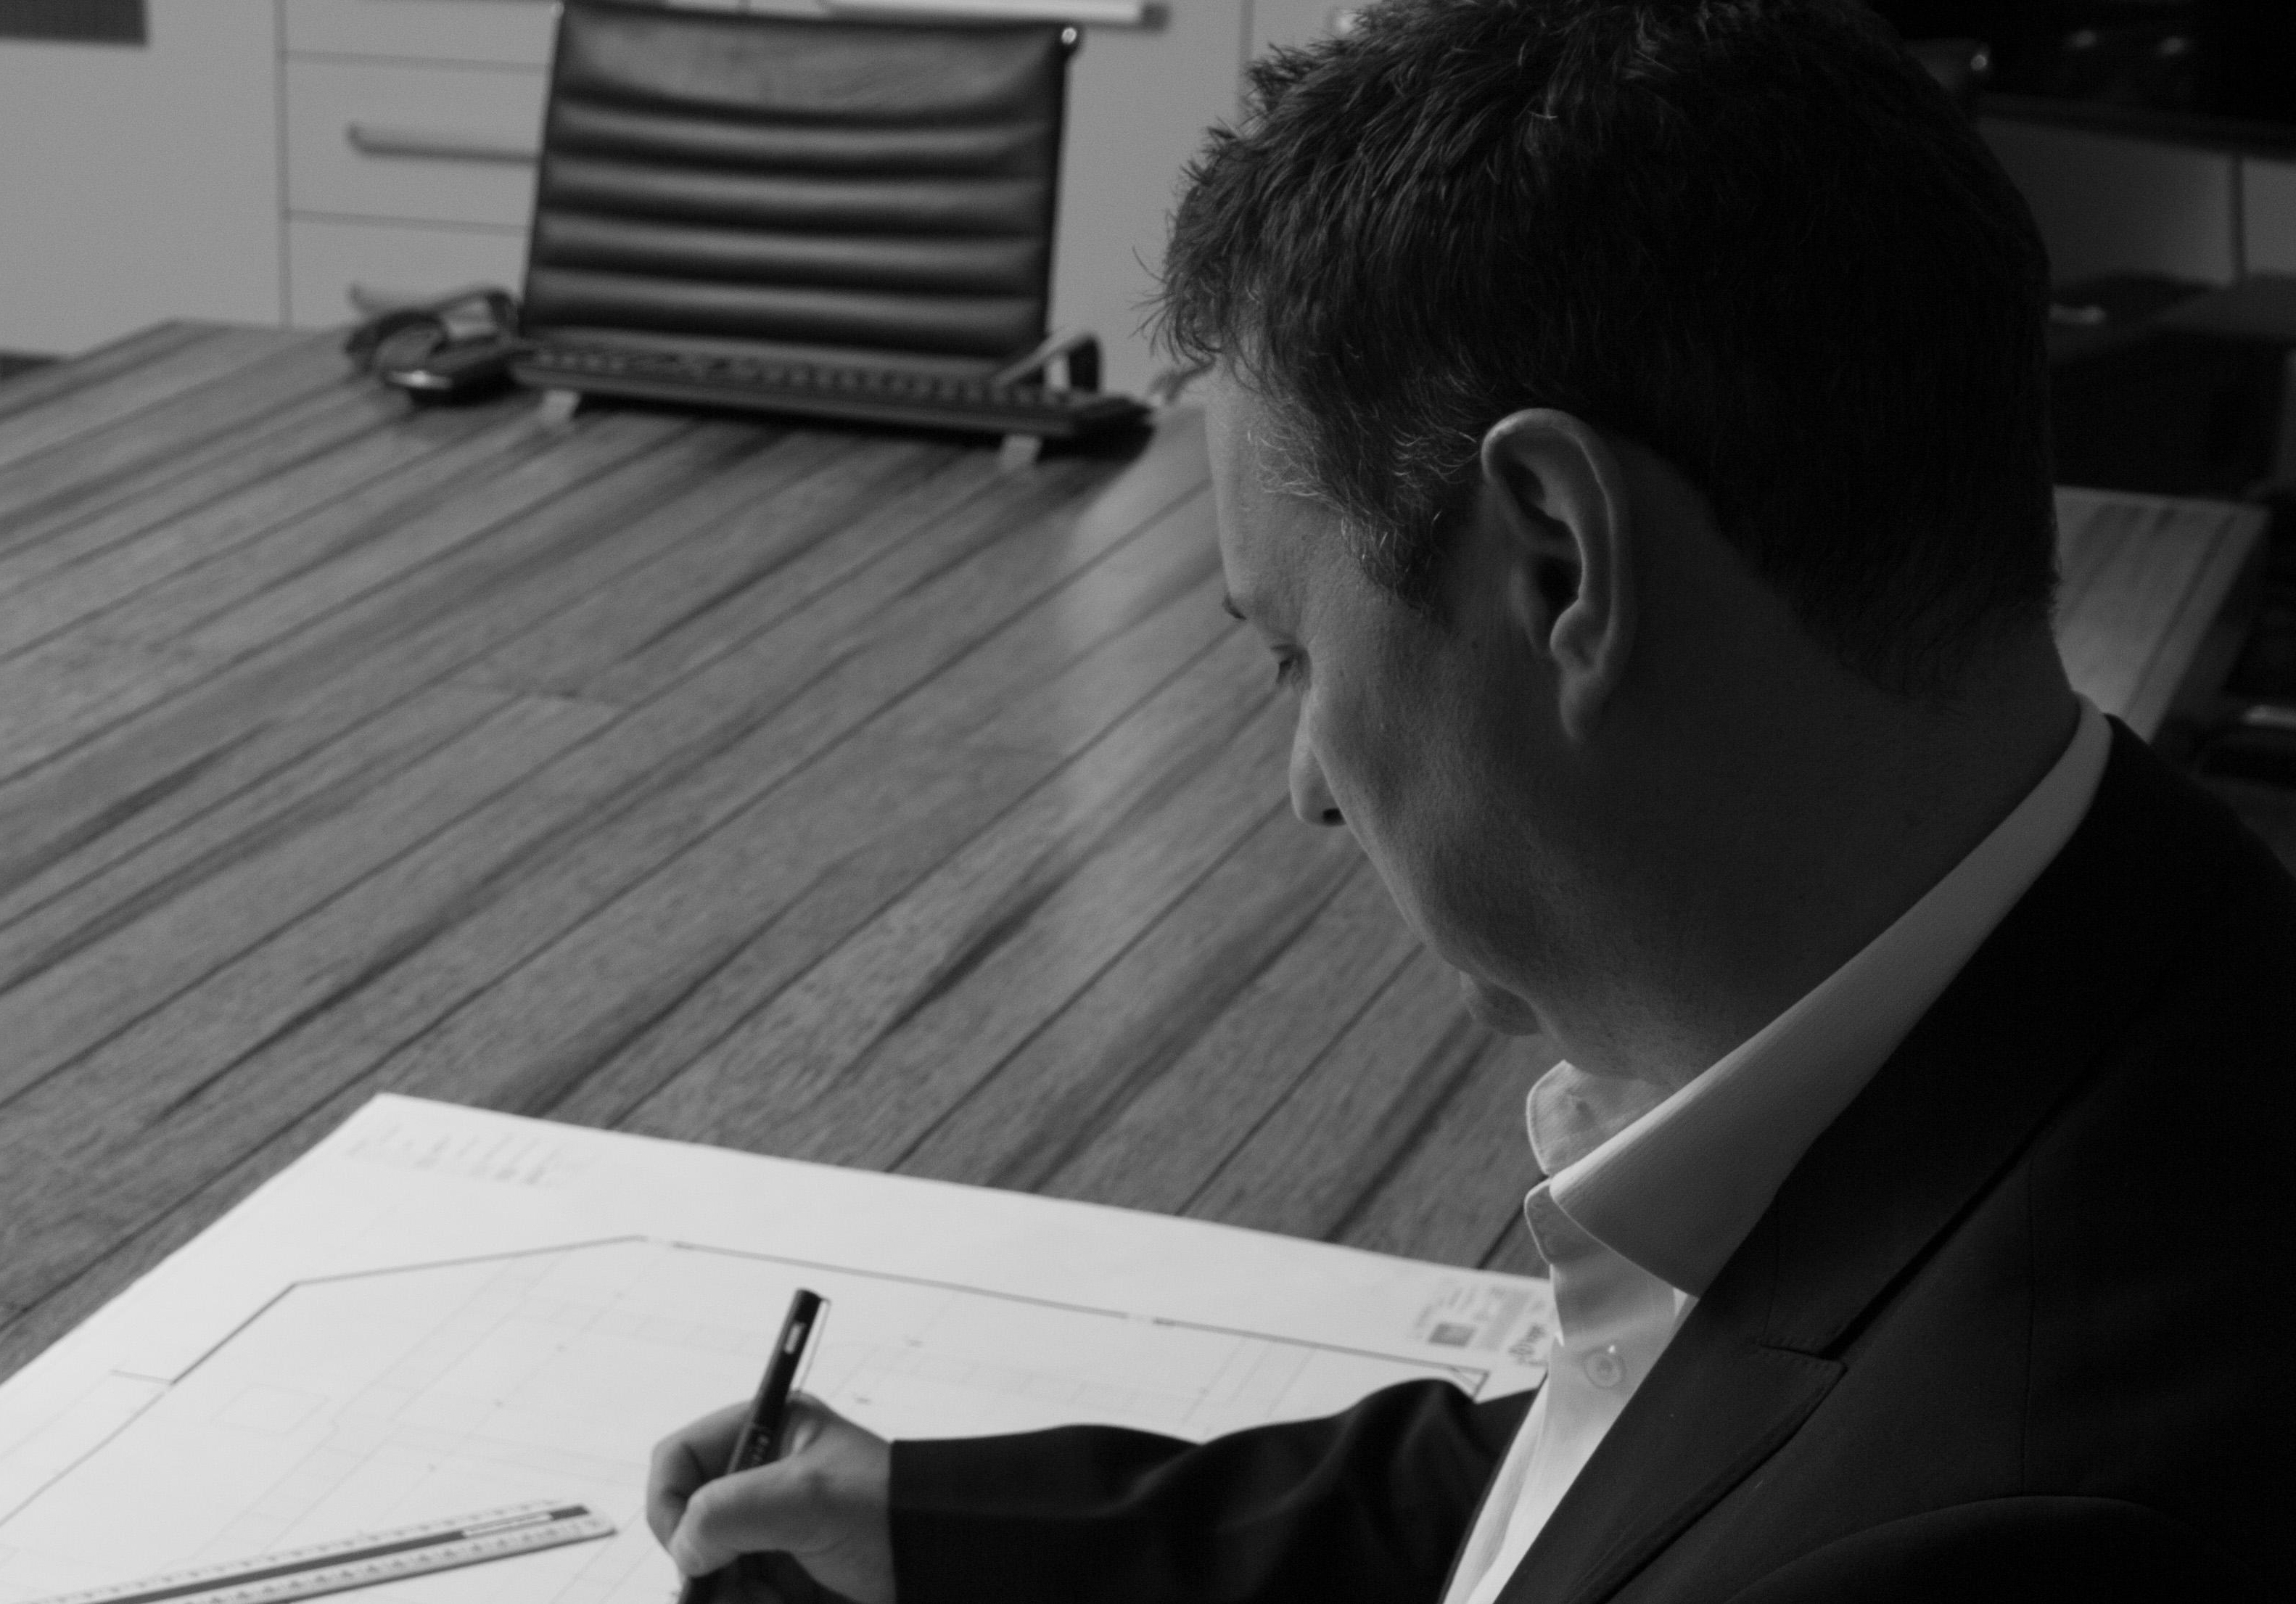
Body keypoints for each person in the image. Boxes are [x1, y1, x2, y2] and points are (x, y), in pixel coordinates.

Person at [641, 0, 2296, 1599]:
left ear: (1560, 562)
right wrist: (952, 1531)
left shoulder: (2018, 1530)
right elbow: (1630, 1469)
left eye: (1295, 652)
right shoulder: (2146, 951)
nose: (1306, 786)